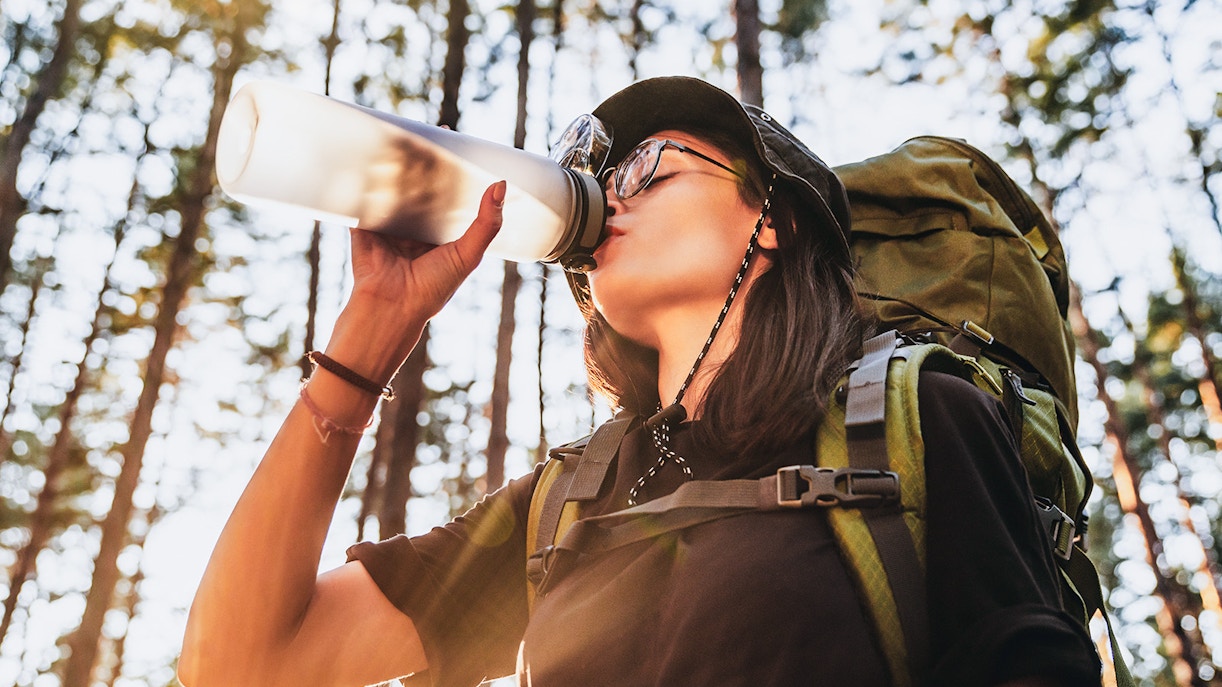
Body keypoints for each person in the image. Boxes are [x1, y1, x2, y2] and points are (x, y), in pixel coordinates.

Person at [179, 76, 1103, 687]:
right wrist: (362, 349)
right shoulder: (565, 506)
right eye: (600, 177)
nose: (609, 191)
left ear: (772, 220)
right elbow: (240, 662)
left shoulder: (911, 412)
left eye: (647, 166)